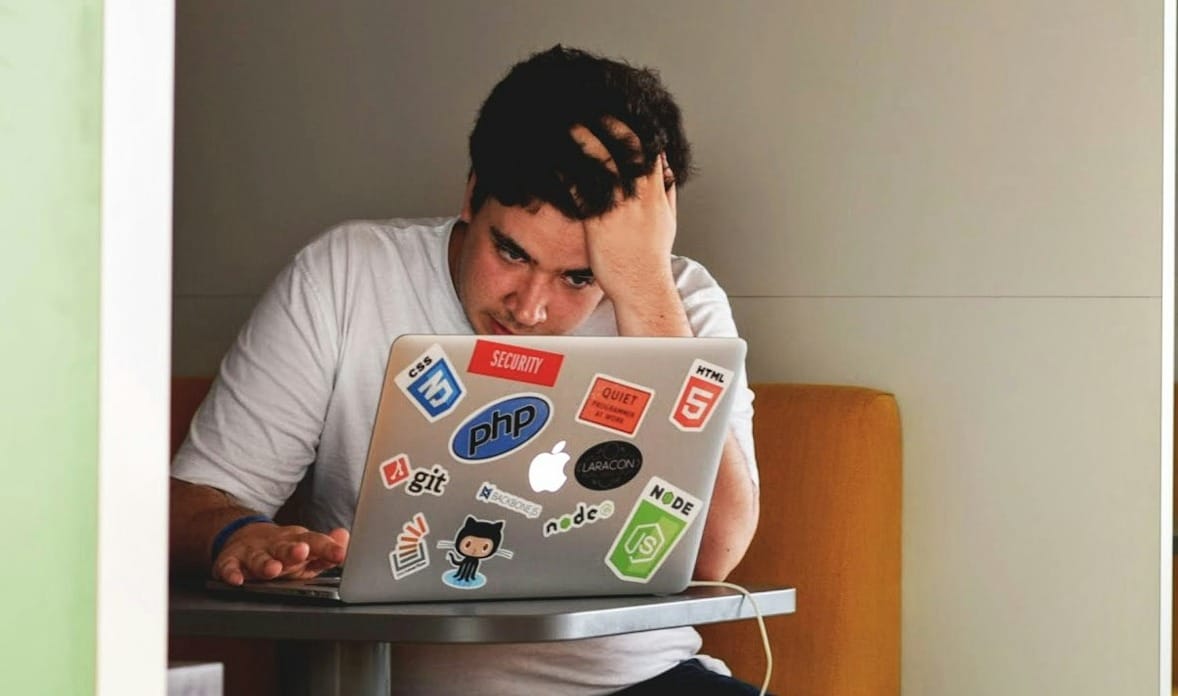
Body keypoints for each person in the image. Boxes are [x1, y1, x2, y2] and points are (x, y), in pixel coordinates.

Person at [171, 45, 763, 695]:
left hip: (640, 682)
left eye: (579, 276)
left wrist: (644, 288)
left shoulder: (677, 301)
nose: (531, 308)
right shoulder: (347, 274)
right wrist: (240, 534)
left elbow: (716, 554)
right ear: (472, 194)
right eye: (511, 251)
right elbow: (187, 504)